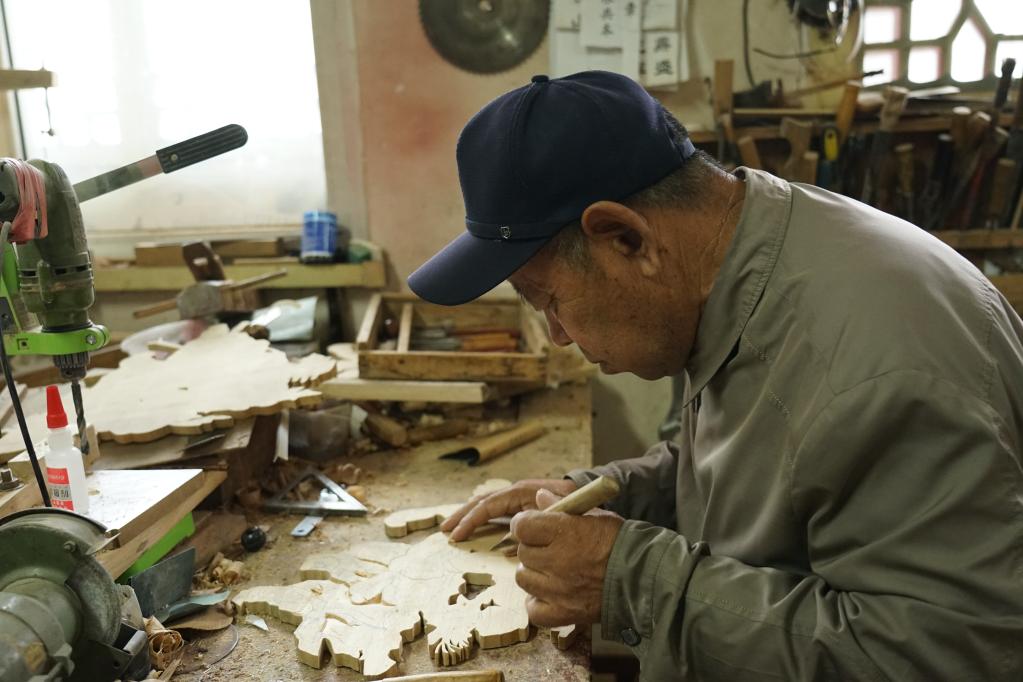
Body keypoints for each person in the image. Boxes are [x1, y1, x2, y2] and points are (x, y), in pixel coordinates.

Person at [407, 71, 1023, 680]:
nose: (557, 336)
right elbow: (765, 468)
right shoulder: (744, 253)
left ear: (625, 237)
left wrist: (631, 580)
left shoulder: (875, 366)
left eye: (548, 299)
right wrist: (604, 488)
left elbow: (941, 657)